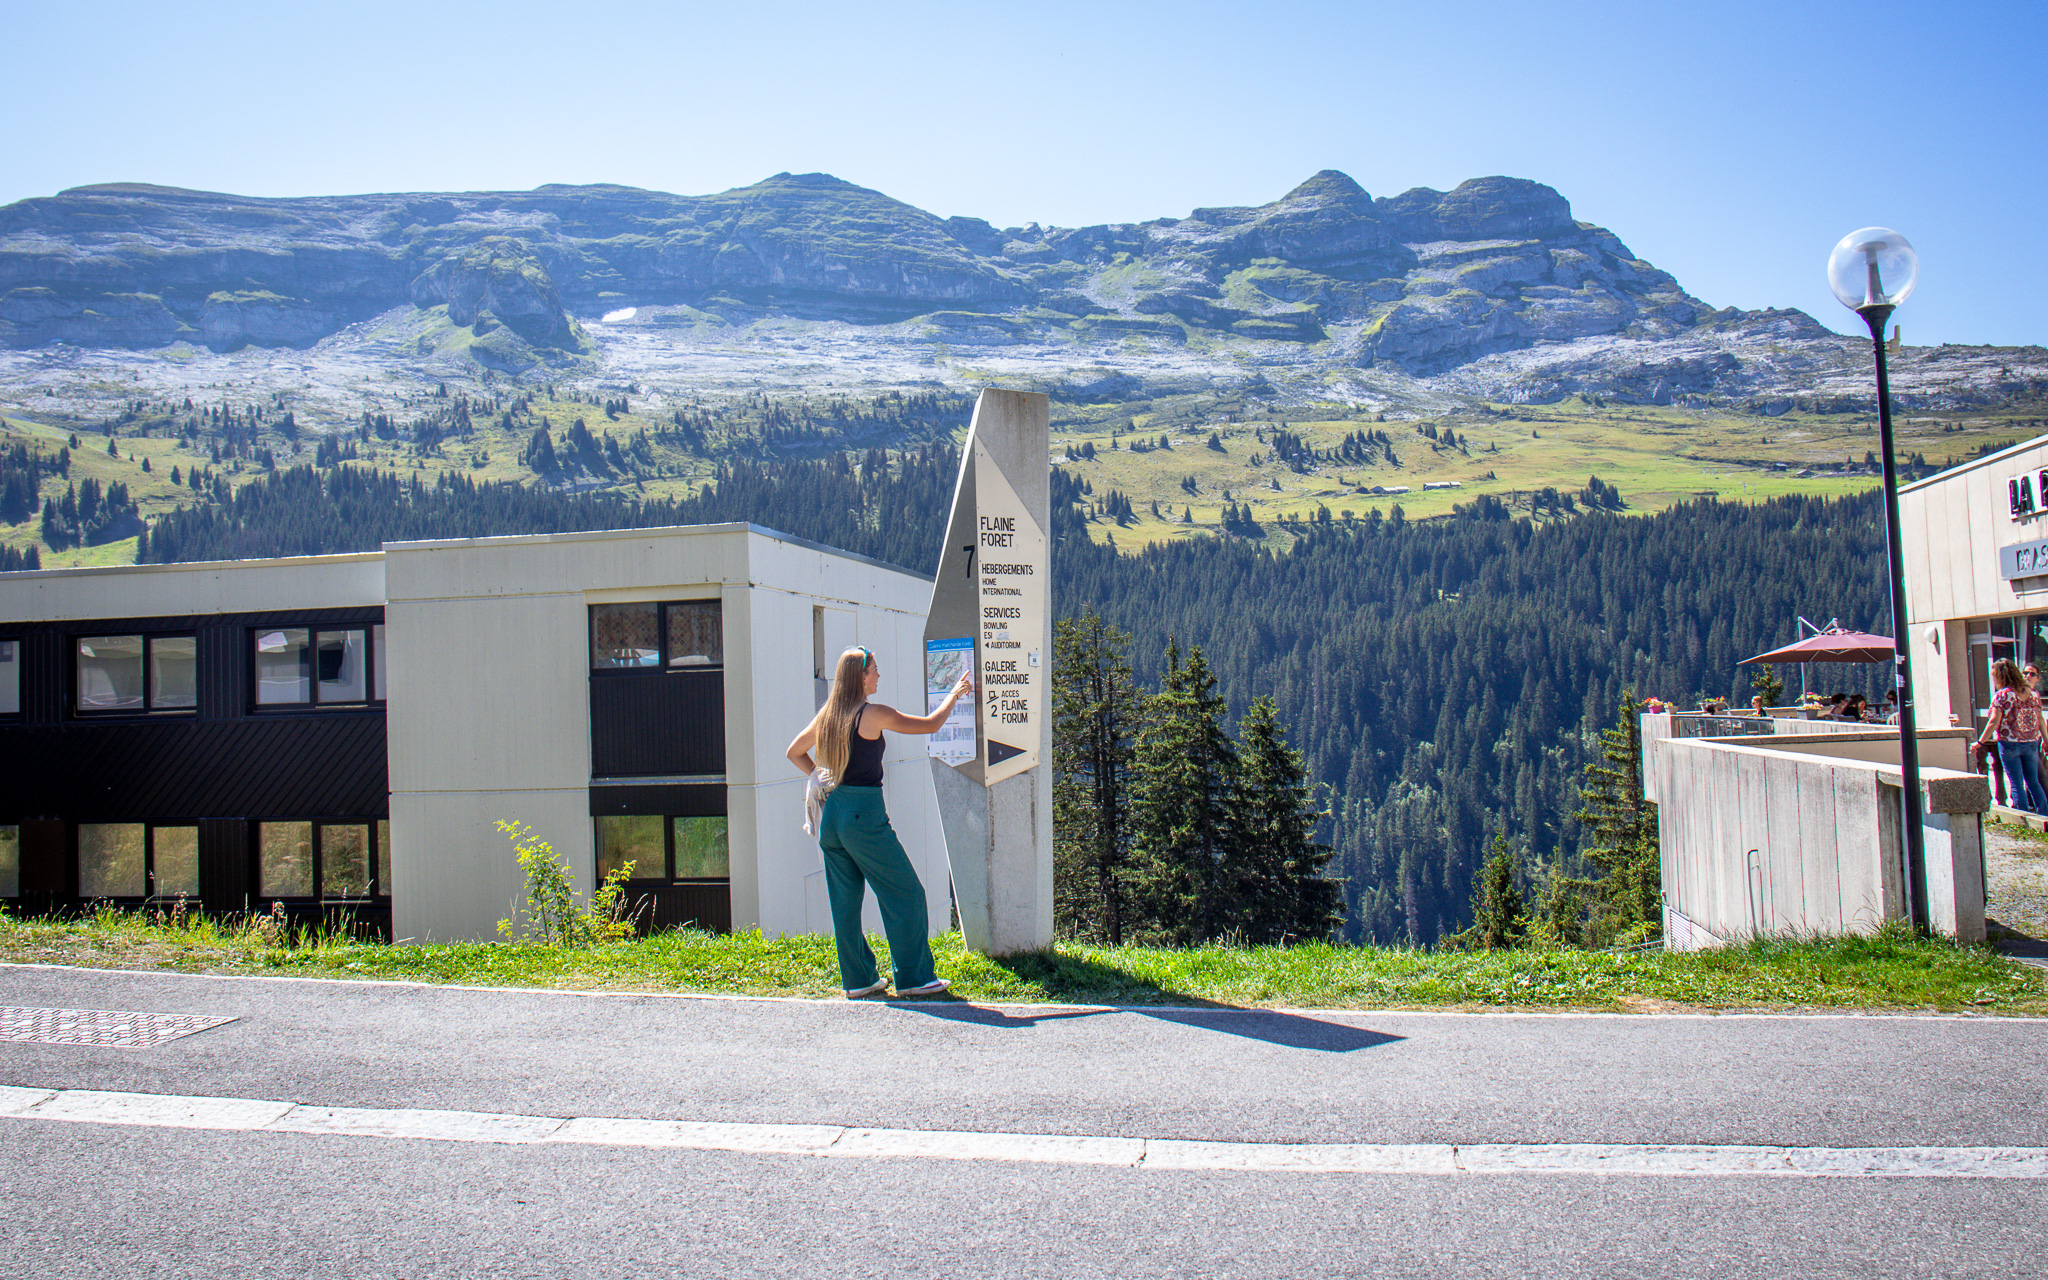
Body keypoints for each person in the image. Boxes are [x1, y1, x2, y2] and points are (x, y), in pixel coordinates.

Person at [786, 645, 974, 999]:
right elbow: (931, 724)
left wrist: (820, 776)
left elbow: (793, 751)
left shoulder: (829, 714)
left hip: (833, 814)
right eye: (874, 669)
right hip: (863, 813)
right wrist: (953, 694)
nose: (878, 675)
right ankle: (915, 978)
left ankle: (858, 981)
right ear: (860, 676)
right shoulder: (871, 714)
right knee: (906, 893)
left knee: (844, 902)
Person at [1979, 658, 2048, 815]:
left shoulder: (2002, 695)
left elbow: (1994, 721)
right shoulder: (2034, 695)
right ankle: (2044, 814)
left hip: (2009, 743)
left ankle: (2023, 817)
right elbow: (2040, 720)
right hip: (2031, 742)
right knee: (2033, 781)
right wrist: (2046, 739)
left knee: (2016, 783)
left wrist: (1980, 742)